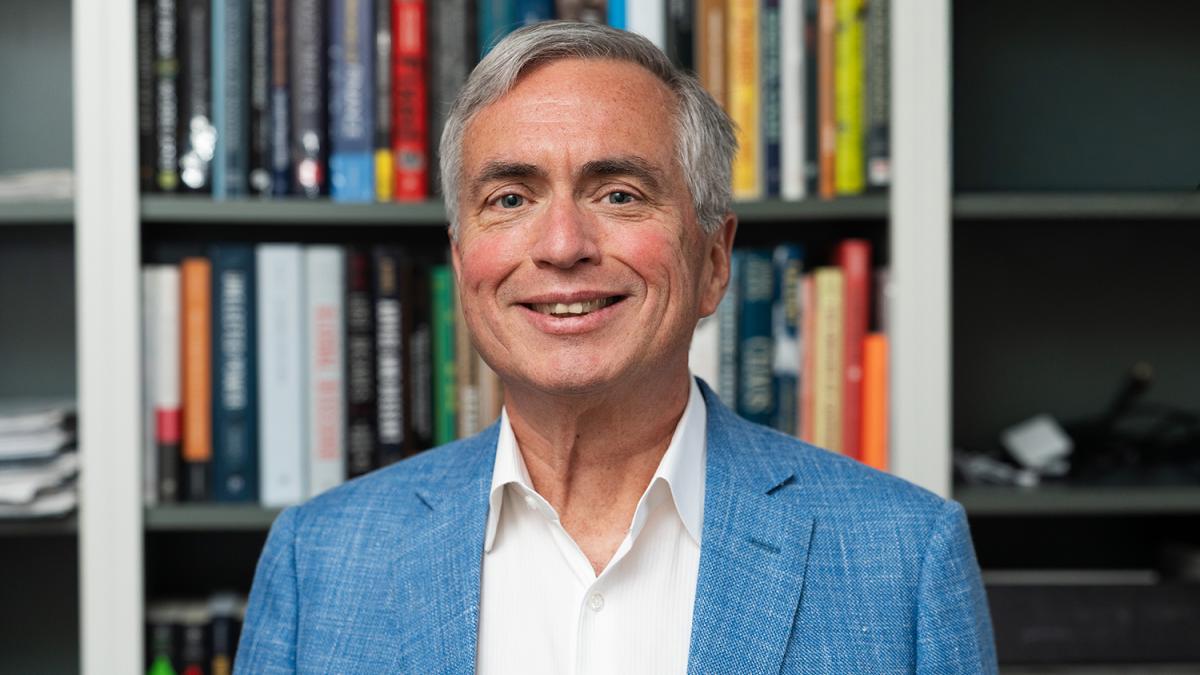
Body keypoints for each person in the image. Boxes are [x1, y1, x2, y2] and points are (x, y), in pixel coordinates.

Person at [235, 21, 997, 674]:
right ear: (464, 261)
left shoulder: (904, 559)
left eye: (619, 193)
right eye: (510, 198)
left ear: (714, 262)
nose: (563, 246)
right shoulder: (321, 560)